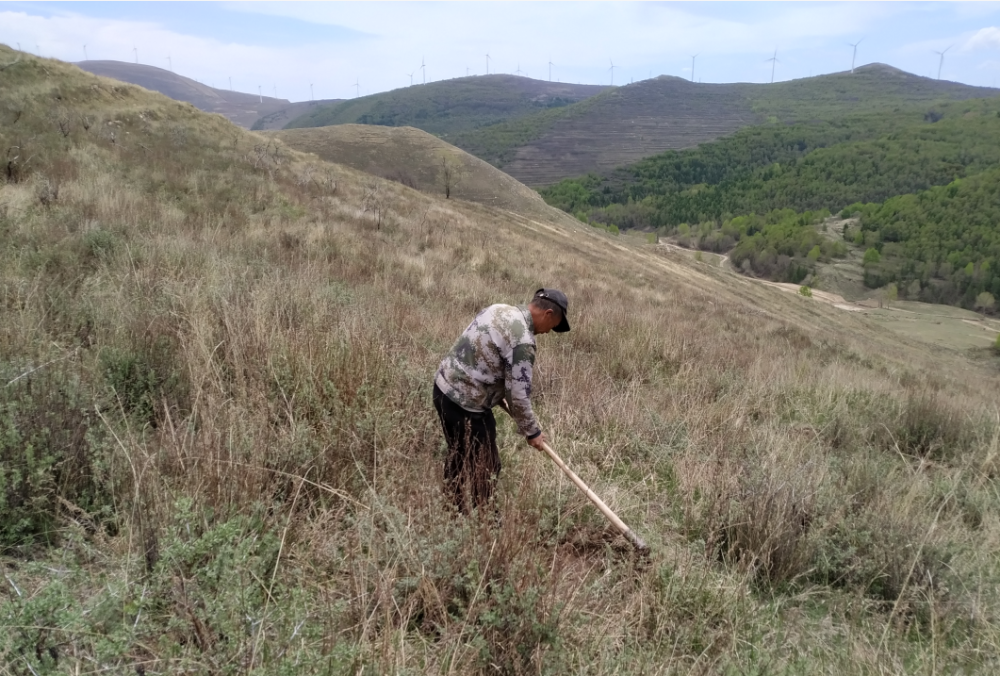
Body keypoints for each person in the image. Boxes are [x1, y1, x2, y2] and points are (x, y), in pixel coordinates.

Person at [433, 288, 570, 514]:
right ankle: (486, 522)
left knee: (458, 453)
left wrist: (495, 392)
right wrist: (532, 432)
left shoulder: (499, 309)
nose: (550, 331)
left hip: (442, 389)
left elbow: (481, 351)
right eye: (555, 325)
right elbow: (518, 395)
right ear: (548, 314)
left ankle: (451, 511)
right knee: (487, 466)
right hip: (465, 405)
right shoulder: (523, 341)